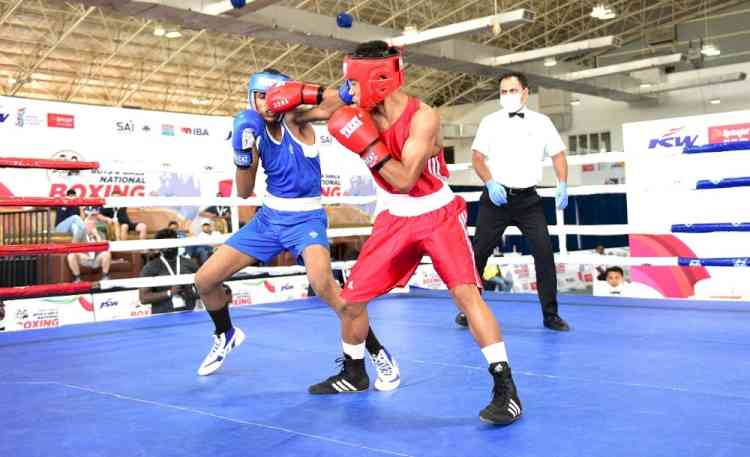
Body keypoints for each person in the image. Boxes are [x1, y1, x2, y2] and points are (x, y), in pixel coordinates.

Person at [310, 41, 522, 425]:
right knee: (352, 299)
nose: (350, 91)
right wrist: (286, 98)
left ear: (378, 80)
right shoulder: (357, 108)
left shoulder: (424, 116)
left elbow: (406, 179)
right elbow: (309, 110)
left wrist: (367, 144)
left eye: (354, 84)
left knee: (465, 294)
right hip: (394, 217)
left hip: (436, 212)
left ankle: (505, 388)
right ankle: (354, 373)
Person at [193, 68, 400, 392]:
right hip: (269, 219)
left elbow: (336, 101)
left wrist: (309, 93)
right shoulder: (253, 129)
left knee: (325, 287)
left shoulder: (297, 120)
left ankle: (374, 351)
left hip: (306, 221)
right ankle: (226, 334)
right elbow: (245, 192)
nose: (266, 105)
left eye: (272, 96)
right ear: (251, 99)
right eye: (260, 97)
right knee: (205, 280)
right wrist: (241, 156)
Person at [456, 71, 571, 332]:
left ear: (525, 92)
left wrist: (562, 183)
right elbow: (476, 158)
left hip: (528, 199)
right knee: (479, 254)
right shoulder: (489, 121)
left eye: (512, 90)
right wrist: (489, 182)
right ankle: (468, 311)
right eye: (503, 92)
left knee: (544, 254)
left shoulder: (542, 122)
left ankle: (550, 315)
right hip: (496, 198)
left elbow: (558, 155)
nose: (508, 96)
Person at [139, 228, 199, 314]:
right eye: (166, 244)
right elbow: (143, 298)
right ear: (160, 247)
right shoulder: (150, 267)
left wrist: (191, 294)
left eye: (172, 242)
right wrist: (169, 292)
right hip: (162, 317)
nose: (170, 247)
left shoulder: (190, 263)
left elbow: (203, 289)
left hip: (190, 313)